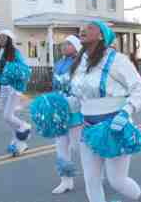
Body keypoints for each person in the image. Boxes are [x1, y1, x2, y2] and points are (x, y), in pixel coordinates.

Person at [67, 20, 141, 202]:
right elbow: (80, 97)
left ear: (101, 35)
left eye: (90, 27)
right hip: (88, 128)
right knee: (91, 180)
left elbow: (139, 89)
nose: (83, 29)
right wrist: (64, 106)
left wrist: (126, 112)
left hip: (114, 127)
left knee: (117, 180)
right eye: (83, 27)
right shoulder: (80, 63)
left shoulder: (117, 60)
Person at [0, 30, 31, 157]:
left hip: (14, 88)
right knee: (7, 117)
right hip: (4, 87)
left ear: (9, 39)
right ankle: (18, 142)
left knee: (8, 116)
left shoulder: (15, 52)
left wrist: (15, 79)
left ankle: (24, 125)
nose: (0, 40)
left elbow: (23, 69)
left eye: (3, 37)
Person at [51, 35, 84, 194]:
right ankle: (66, 180)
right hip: (59, 111)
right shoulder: (58, 64)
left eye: (68, 44)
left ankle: (97, 172)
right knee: (61, 147)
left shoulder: (82, 63)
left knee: (79, 146)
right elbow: (54, 86)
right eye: (63, 44)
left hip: (75, 111)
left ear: (77, 47)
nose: (64, 46)